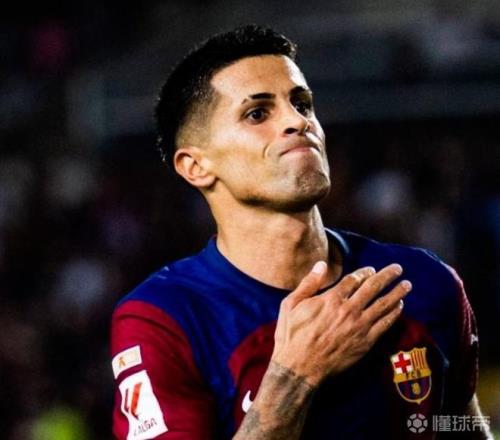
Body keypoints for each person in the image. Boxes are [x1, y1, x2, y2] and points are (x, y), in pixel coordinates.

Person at [110, 25, 491, 439]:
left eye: (302, 104)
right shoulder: (163, 320)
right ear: (196, 166)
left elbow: (462, 428)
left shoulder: (423, 282)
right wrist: (294, 376)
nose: (297, 121)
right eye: (258, 113)